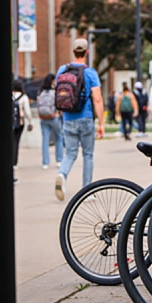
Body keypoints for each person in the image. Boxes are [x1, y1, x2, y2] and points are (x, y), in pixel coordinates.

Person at [54, 38, 105, 201]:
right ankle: (86, 190)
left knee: (70, 154)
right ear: (87, 52)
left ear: (73, 51)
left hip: (68, 118)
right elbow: (97, 99)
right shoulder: (90, 73)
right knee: (88, 155)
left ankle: (62, 174)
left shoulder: (62, 70)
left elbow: (59, 94)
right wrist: (101, 123)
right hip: (85, 118)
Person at [38, 73, 63, 170]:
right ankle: (59, 160)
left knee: (45, 140)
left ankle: (45, 162)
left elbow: (38, 105)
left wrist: (41, 115)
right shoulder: (54, 92)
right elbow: (58, 105)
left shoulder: (41, 92)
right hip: (53, 117)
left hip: (43, 118)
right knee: (59, 137)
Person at [12, 80, 33, 169]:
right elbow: (27, 112)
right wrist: (30, 121)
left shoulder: (9, 95)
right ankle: (14, 162)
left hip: (9, 122)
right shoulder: (24, 97)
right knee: (16, 142)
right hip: (19, 122)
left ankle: (8, 160)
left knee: (10, 141)